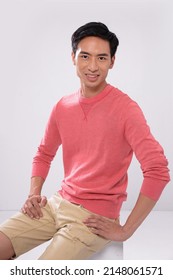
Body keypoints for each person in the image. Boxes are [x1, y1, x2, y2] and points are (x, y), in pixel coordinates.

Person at [0, 22, 170, 260]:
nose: (92, 66)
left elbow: (158, 170)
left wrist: (125, 230)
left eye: (101, 58)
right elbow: (43, 153)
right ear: (73, 58)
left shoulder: (126, 109)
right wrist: (33, 194)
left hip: (93, 219)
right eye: (85, 56)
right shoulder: (63, 106)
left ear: (112, 61)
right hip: (56, 204)